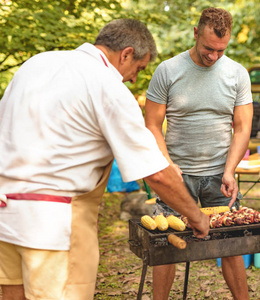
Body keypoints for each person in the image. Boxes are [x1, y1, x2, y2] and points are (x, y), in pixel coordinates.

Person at [0, 19, 210, 300]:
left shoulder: (35, 65)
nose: (134, 78)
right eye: (138, 68)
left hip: (5, 215)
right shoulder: (107, 86)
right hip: (53, 223)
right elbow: (156, 174)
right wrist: (196, 217)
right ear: (126, 53)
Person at [144, 7, 253, 300]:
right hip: (177, 176)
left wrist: (230, 170)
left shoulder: (237, 74)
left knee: (231, 245)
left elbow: (243, 128)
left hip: (220, 175)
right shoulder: (167, 70)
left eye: (221, 50)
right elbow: (152, 124)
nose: (214, 56)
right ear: (195, 33)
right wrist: (167, 165)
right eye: (208, 48)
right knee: (166, 247)